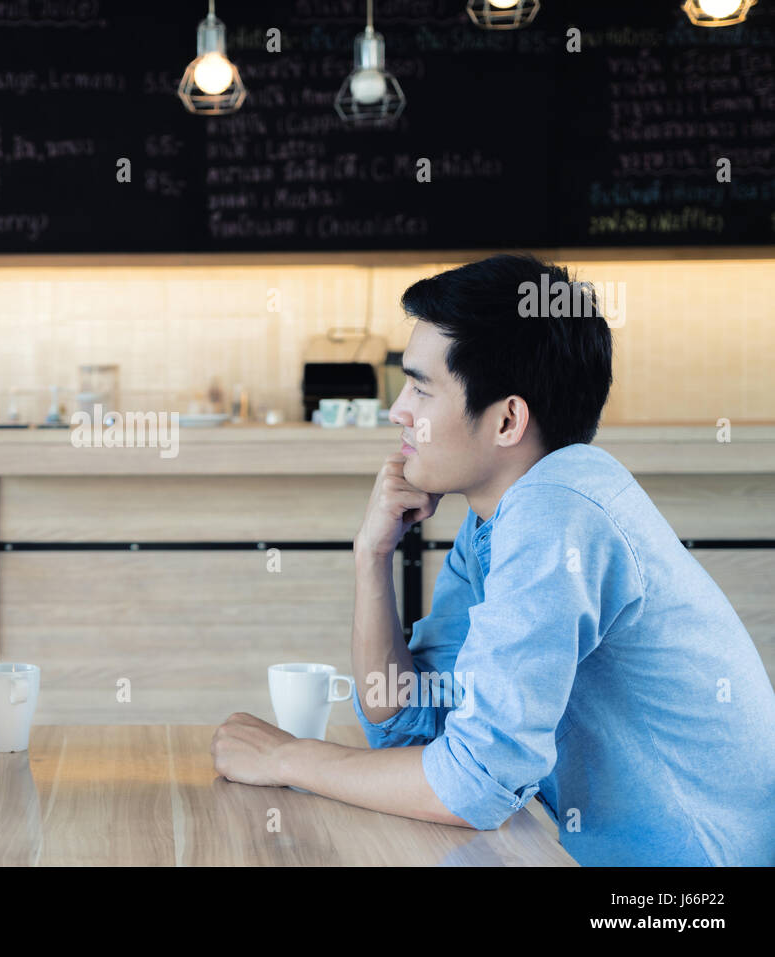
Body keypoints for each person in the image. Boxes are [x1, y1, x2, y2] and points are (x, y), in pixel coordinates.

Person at [211, 254, 775, 866]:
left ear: (508, 419)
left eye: (422, 388)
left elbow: (474, 785)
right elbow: (409, 721)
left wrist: (286, 757)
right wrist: (370, 558)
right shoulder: (496, 521)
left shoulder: (555, 511)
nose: (398, 411)